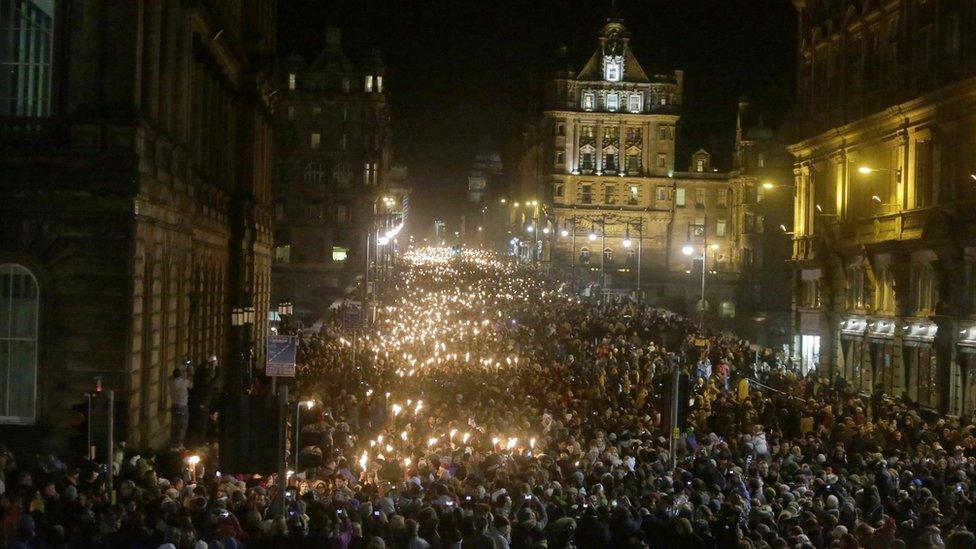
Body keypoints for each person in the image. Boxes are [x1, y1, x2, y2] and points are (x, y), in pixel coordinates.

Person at [169, 361, 193, 450]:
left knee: (174, 426)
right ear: (180, 375)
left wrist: (181, 366)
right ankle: (179, 444)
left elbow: (172, 376)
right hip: (183, 406)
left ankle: (173, 444)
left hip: (174, 405)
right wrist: (188, 367)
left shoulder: (171, 382)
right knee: (182, 425)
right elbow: (191, 385)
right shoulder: (184, 382)